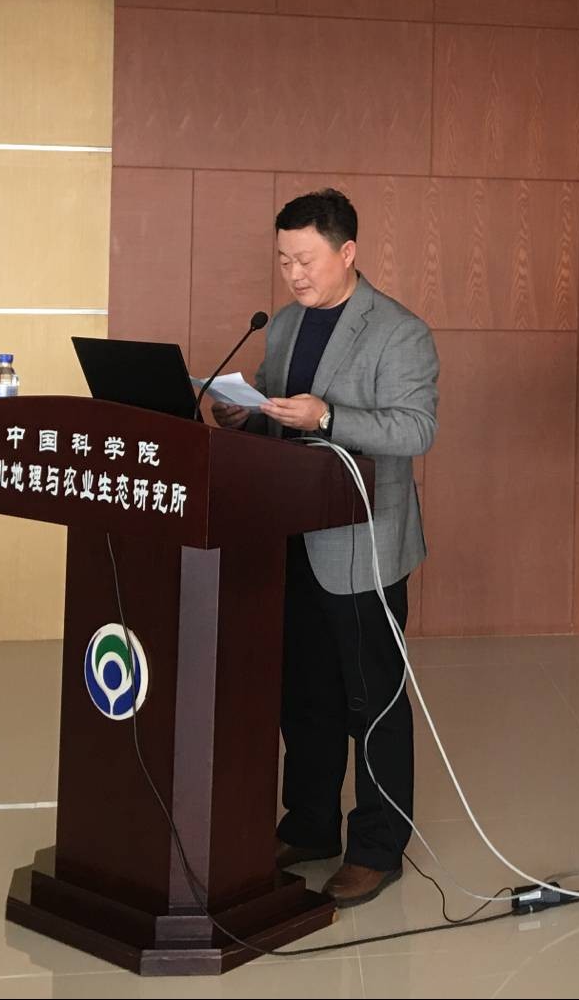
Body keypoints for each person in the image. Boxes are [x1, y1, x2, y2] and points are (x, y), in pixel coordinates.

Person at [210, 188, 439, 908]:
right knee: (303, 694)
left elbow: (415, 429)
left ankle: (377, 846)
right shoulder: (283, 324)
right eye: (283, 259)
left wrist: (330, 415)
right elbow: (279, 416)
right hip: (291, 536)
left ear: (348, 252)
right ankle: (309, 825)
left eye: (306, 259)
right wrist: (245, 415)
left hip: (363, 542)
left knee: (372, 700)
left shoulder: (398, 331)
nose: (294, 273)